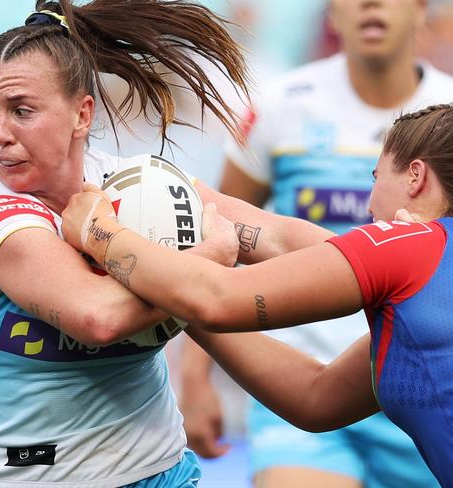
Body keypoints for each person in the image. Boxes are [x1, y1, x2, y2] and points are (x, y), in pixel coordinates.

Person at [0, 1, 342, 486]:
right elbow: (99, 317)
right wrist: (206, 261)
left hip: (162, 473)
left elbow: (276, 236)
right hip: (38, 476)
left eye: (22, 111)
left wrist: (395, 254)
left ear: (81, 114)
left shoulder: (138, 184)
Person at [61, 102, 453, 487]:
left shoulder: (410, 244)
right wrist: (175, 301)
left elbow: (216, 299)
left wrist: (100, 233)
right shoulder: (412, 320)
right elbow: (316, 398)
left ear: (415, 177)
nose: (369, 203)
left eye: (375, 177)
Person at [182, 0, 453, 486]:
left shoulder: (446, 113)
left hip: (419, 388)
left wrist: (111, 239)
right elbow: (214, 226)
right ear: (330, 14)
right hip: (307, 385)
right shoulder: (282, 104)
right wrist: (194, 378)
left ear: (421, 10)